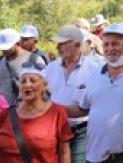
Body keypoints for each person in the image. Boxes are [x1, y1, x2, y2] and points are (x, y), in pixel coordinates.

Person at [68, 23, 123, 163]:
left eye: (115, 44)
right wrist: (51, 107)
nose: (110, 49)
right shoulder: (93, 75)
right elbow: (82, 109)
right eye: (106, 45)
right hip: (96, 157)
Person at [0, 64, 73, 163]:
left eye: (33, 80)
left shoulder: (57, 113)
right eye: (23, 81)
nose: (27, 84)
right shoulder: (5, 114)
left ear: (44, 85)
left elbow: (64, 152)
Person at [45, 24, 99, 163]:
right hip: (54, 130)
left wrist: (53, 108)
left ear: (76, 45)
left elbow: (91, 108)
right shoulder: (51, 68)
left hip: (81, 131)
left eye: (62, 43)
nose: (58, 47)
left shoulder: (93, 70)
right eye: (58, 43)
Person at [0, 28, 47, 106]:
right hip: (4, 113)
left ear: (18, 44)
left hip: (28, 111)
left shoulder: (34, 60)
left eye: (7, 47)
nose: (4, 50)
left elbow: (44, 88)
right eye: (2, 47)